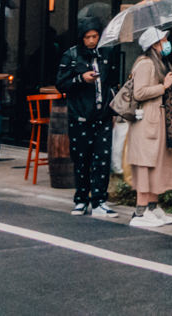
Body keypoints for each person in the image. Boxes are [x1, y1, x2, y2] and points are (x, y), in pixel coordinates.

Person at [56, 17, 117, 218]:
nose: (91, 40)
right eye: (87, 37)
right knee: (82, 159)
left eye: (95, 36)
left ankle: (100, 201)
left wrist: (114, 109)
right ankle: (81, 199)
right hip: (80, 116)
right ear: (82, 38)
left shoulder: (106, 54)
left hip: (103, 115)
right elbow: (61, 84)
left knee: (102, 159)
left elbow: (112, 83)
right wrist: (80, 79)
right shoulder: (71, 56)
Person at [125, 26, 172, 229]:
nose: (166, 43)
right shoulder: (146, 64)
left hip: (156, 121)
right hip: (146, 123)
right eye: (164, 40)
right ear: (154, 45)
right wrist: (163, 86)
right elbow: (139, 92)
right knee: (145, 164)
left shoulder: (159, 63)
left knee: (157, 164)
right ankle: (140, 211)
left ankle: (153, 207)